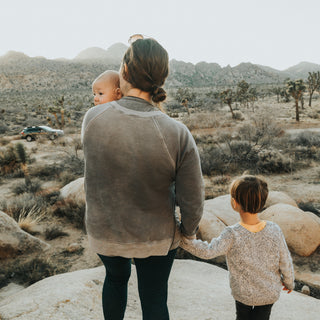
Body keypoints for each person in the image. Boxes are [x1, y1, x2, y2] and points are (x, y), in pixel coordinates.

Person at [82, 35, 204, 320]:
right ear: (162, 78)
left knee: (115, 280)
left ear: (124, 71)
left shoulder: (93, 119)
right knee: (153, 299)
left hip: (106, 232)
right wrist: (188, 230)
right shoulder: (176, 132)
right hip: (156, 238)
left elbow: (116, 89)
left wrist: (131, 55)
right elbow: (193, 197)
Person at [180, 175, 294, 320]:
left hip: (243, 294)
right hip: (268, 293)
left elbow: (208, 251)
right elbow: (285, 260)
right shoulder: (274, 229)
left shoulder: (232, 233)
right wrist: (289, 282)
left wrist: (184, 241)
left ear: (234, 202)